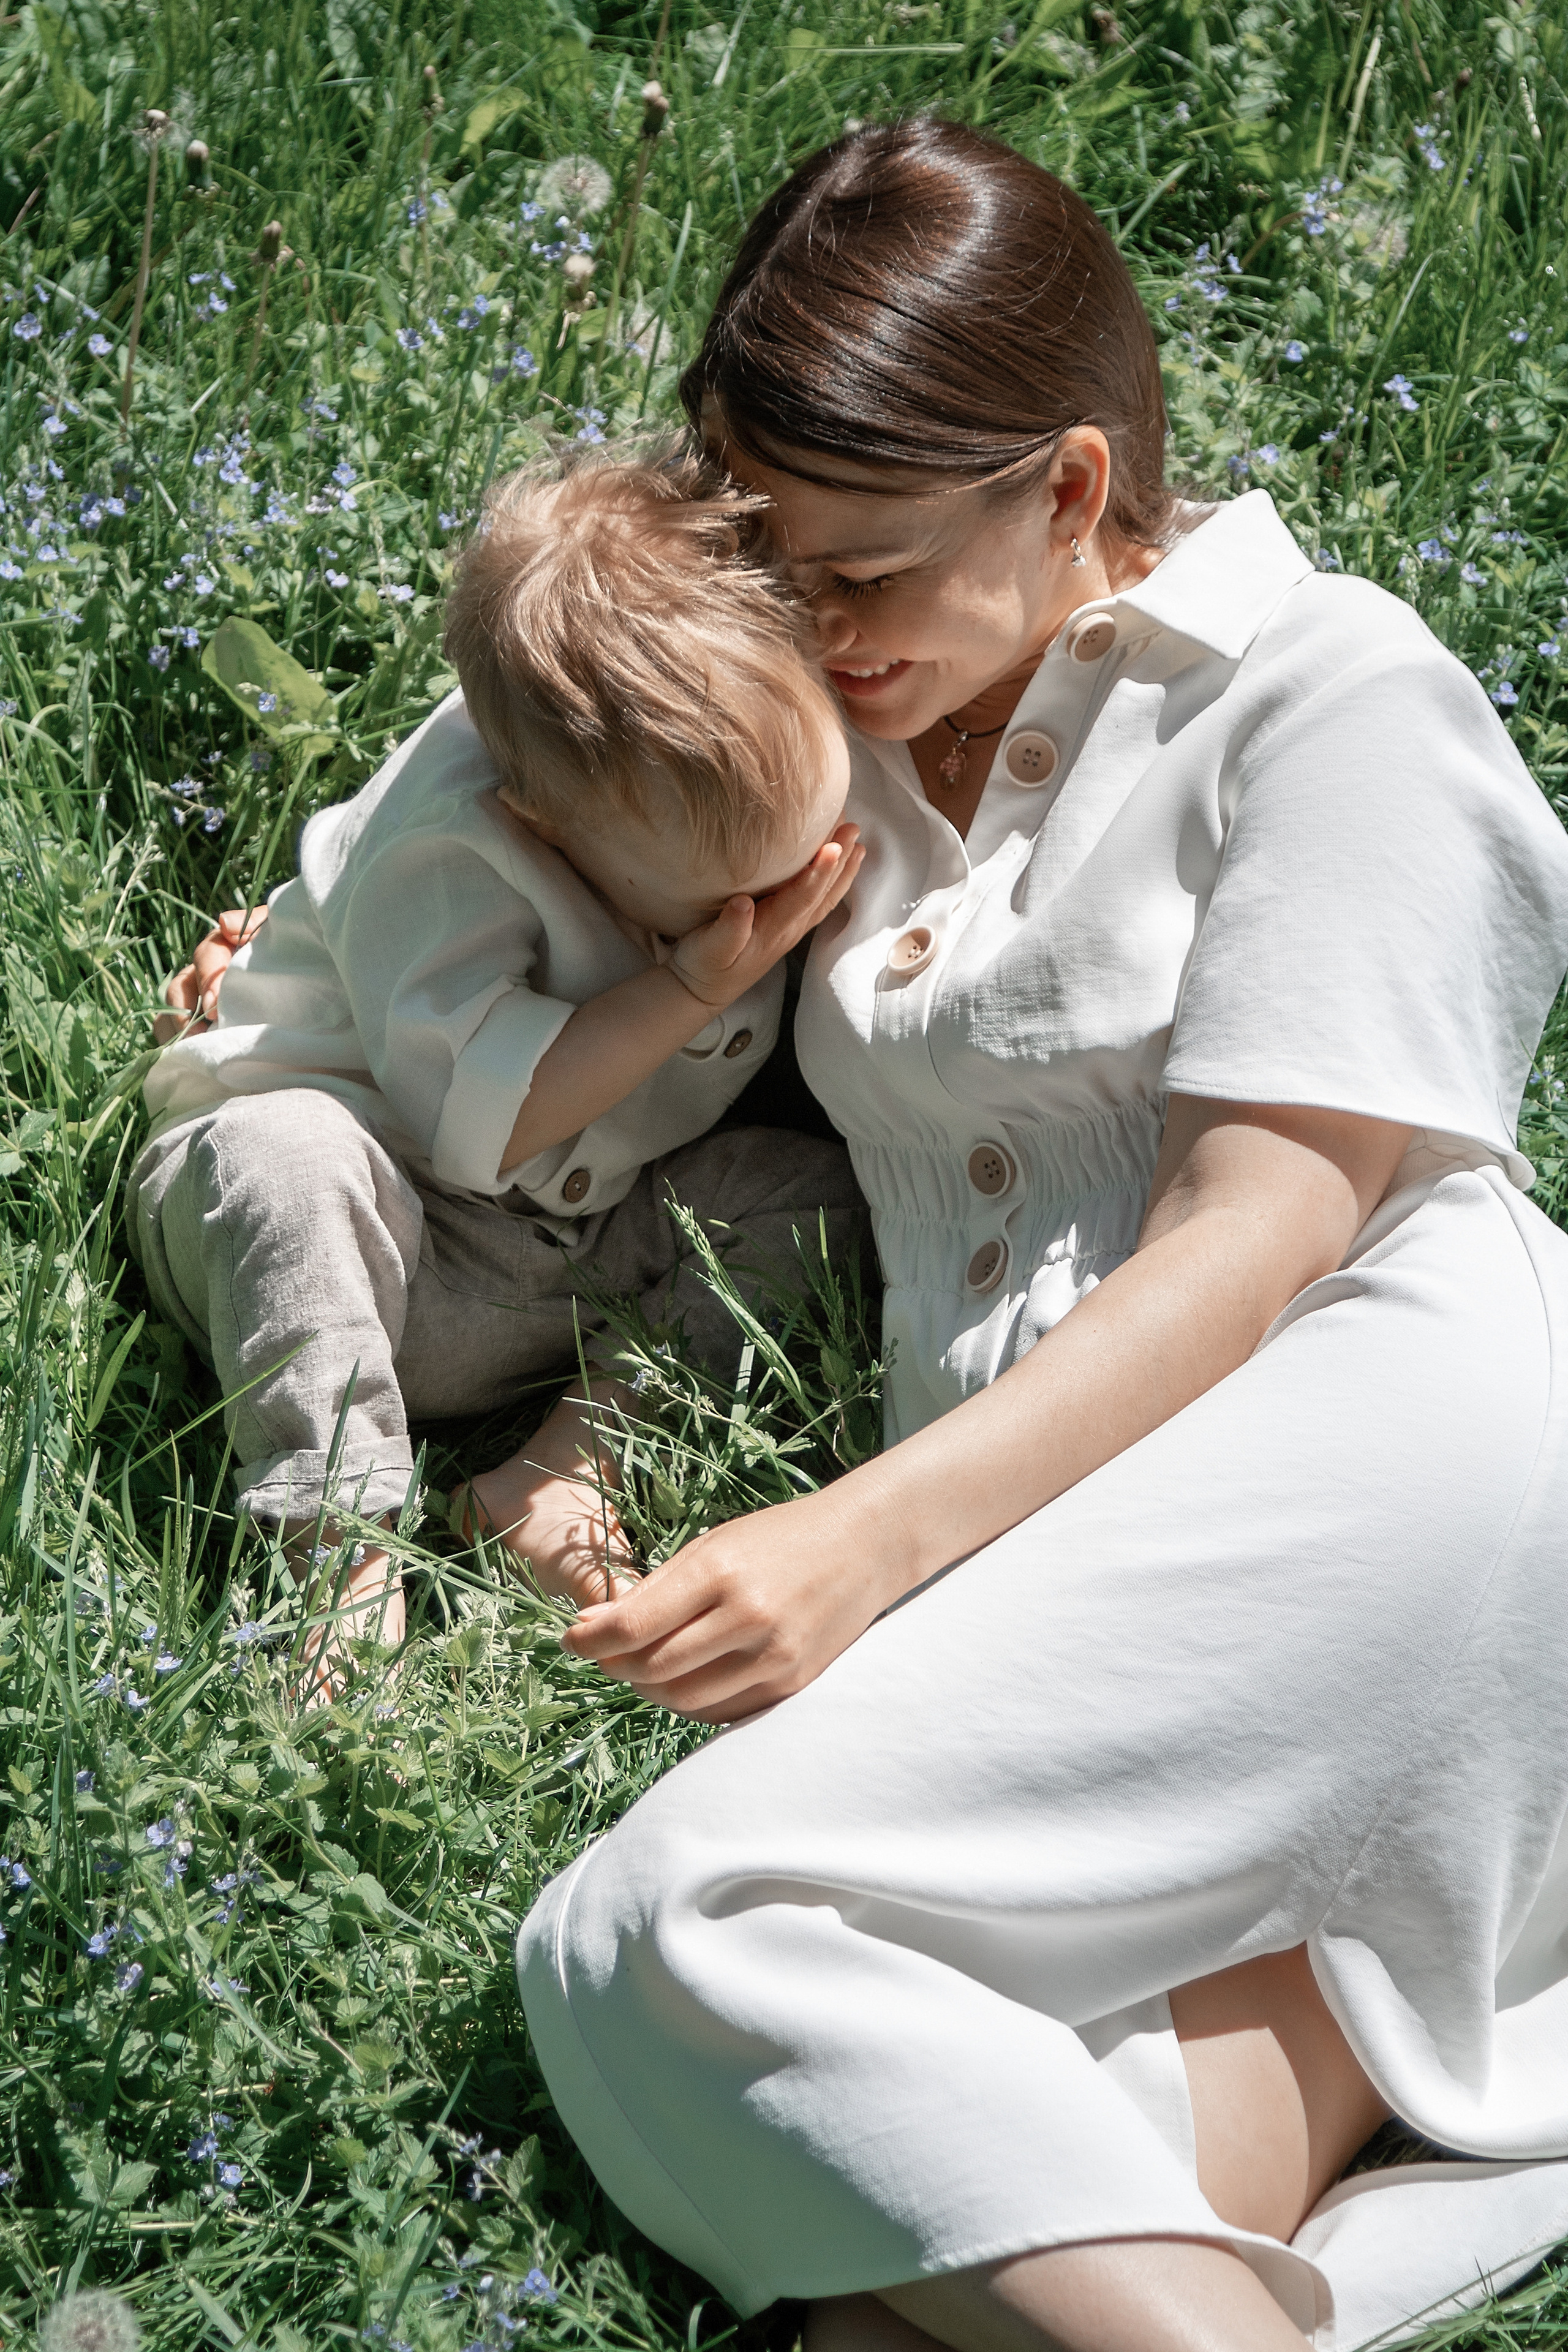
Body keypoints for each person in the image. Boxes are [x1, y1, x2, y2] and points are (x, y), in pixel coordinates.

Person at [511, 121, 1568, 2352]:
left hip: (1382, 1431)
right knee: (909, 2268)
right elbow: (678, 1078)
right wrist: (317, 996)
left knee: (676, 1918)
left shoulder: (1328, 686)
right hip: (1106, 1579)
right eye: (772, 566)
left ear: (1074, 487)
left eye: (867, 568)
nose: (816, 626)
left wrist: (861, 1546)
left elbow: (1263, 1232)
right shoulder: (834, 764)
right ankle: (1337, 2081)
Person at [131, 449, 863, 1660]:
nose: (782, 910)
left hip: (556, 1256)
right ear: (542, 824)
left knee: (810, 1197)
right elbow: (497, 1121)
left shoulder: (673, 782)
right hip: (373, 1235)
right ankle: (335, 1553)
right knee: (290, 1154)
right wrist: (688, 985)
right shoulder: (446, 858)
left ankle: (564, 1469)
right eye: (726, 899)